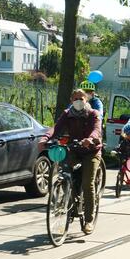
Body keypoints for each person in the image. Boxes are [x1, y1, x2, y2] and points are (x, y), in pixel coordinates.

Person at [52, 89, 102, 234]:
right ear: (71, 100)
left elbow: (96, 130)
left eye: (81, 98)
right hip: (73, 149)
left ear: (86, 100)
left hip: (91, 151)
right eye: (75, 99)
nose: (78, 101)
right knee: (65, 174)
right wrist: (46, 138)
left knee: (88, 183)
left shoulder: (93, 114)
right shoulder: (67, 114)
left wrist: (90, 139)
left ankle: (88, 220)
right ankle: (69, 199)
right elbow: (56, 128)